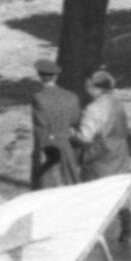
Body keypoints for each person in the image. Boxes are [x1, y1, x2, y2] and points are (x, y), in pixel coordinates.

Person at [75, 68, 131, 244]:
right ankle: (126, 228)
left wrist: (70, 134)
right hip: (119, 151)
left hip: (99, 155)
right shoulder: (117, 103)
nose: (86, 89)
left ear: (96, 88)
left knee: (94, 191)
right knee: (120, 190)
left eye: (88, 86)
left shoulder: (94, 109)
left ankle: (91, 231)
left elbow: (84, 137)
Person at [29, 55, 81, 188]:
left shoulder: (39, 98)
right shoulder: (72, 97)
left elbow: (40, 127)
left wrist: (38, 155)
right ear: (56, 76)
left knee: (47, 188)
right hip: (67, 146)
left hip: (49, 148)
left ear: (40, 76)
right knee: (70, 186)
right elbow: (75, 121)